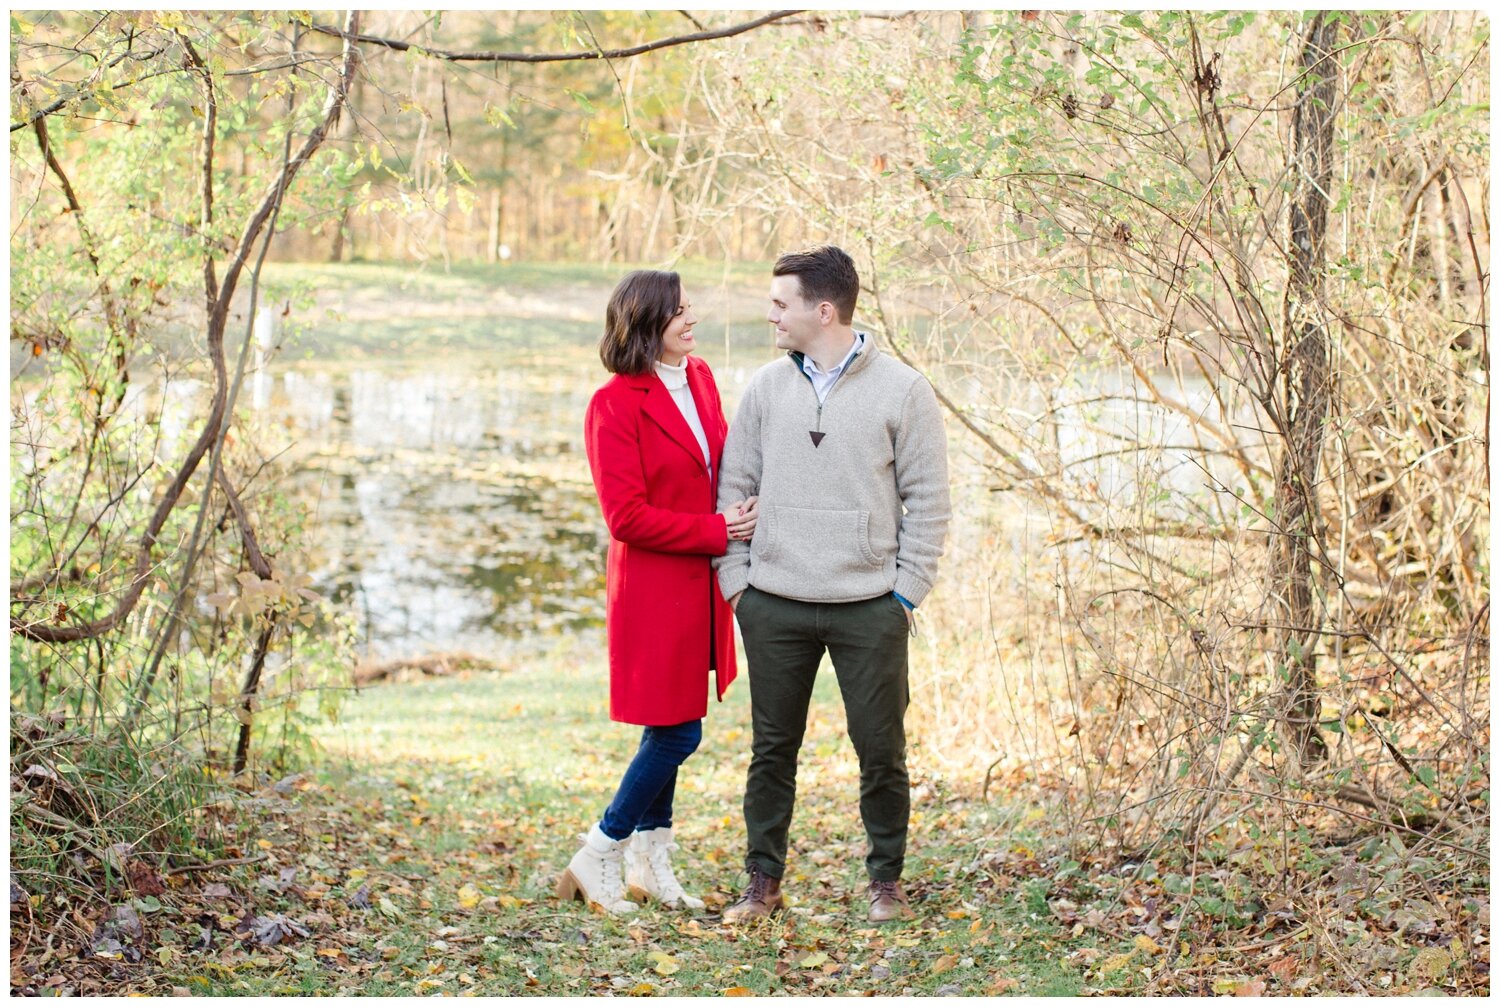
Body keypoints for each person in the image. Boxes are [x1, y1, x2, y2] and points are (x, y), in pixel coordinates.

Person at [713, 245, 950, 924]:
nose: (771, 314)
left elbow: (928, 499)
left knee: (881, 752)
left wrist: (905, 592)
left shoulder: (903, 389)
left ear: (824, 309)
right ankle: (762, 882)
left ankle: (885, 882)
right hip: (774, 602)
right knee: (771, 751)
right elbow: (735, 489)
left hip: (869, 605)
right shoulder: (764, 387)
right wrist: (738, 585)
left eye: (780, 302)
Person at [558, 270, 758, 914]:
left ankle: (650, 862)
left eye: (687, 306)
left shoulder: (698, 377)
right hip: (652, 588)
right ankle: (601, 849)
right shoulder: (612, 405)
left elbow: (719, 463)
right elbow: (626, 517)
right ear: (646, 324)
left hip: (700, 580)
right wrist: (717, 528)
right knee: (677, 733)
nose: (689, 317)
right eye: (677, 311)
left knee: (672, 722)